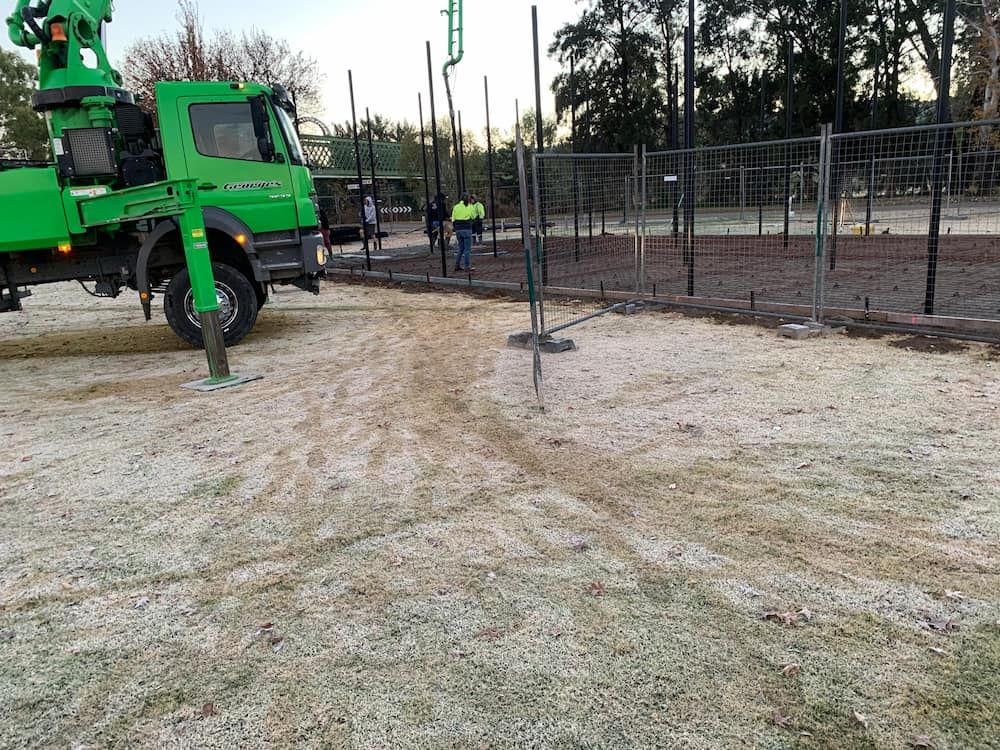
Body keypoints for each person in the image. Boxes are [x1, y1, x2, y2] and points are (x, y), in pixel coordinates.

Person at [451, 192, 476, 272]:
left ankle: (457, 265)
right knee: (467, 249)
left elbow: (453, 219)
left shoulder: (456, 207)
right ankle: (467, 266)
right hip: (467, 228)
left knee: (461, 248)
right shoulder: (470, 206)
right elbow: (473, 216)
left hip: (458, 229)